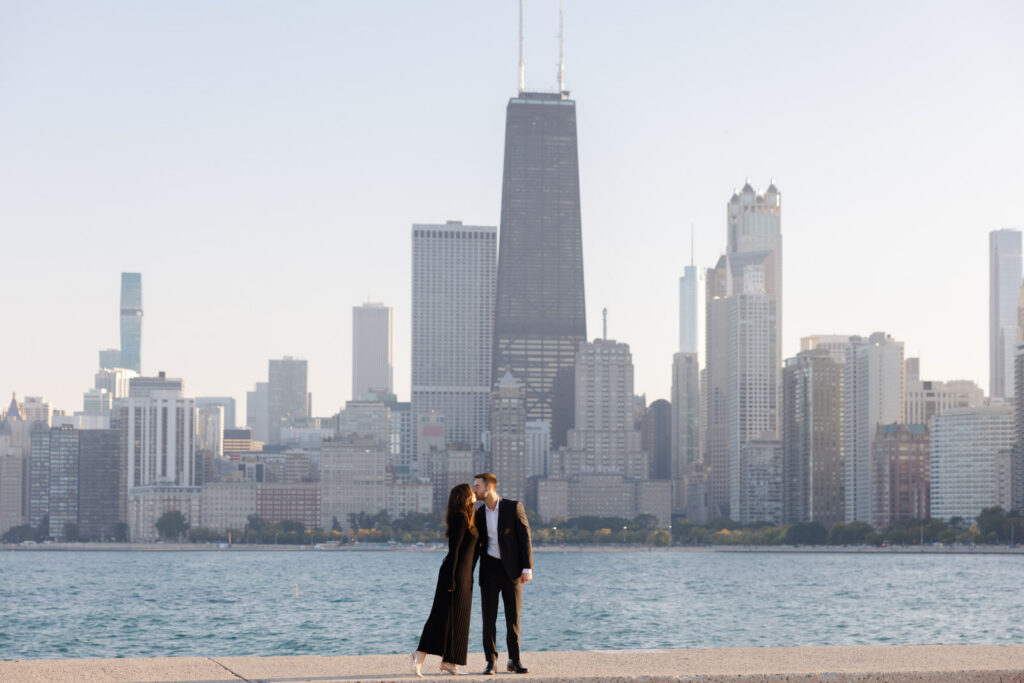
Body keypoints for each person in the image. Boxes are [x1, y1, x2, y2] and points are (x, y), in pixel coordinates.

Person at [412, 483, 479, 676]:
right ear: (464, 496)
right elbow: (454, 550)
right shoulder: (460, 517)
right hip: (454, 575)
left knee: (459, 620)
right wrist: (452, 578)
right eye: (471, 490)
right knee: (441, 616)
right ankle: (420, 654)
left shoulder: (470, 516)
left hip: (465, 575)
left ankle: (449, 662)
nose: (474, 493)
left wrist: (469, 577)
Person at [472, 472, 533, 675]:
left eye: (477, 486)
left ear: (489, 487)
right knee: (488, 619)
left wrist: (527, 568)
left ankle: (514, 660)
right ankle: (491, 661)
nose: (474, 490)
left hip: (513, 571)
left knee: (512, 618)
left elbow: (525, 537)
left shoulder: (513, 507)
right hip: (489, 570)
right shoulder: (479, 512)